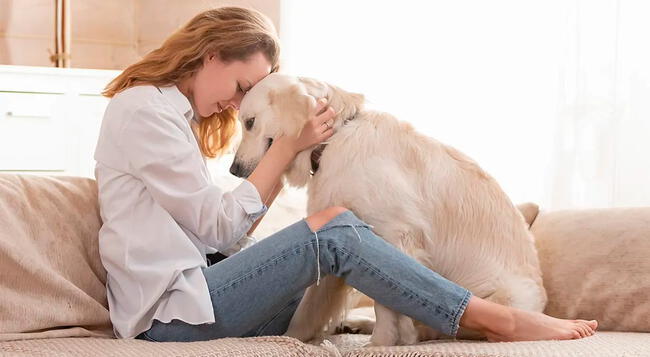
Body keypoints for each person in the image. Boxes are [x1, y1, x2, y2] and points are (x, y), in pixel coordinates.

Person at [93, 6, 598, 343]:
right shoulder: (143, 111)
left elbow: (220, 235)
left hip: (205, 296)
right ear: (211, 55)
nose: (237, 102)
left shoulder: (175, 118)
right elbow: (218, 226)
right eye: (241, 84)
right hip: (172, 318)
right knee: (333, 227)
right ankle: (499, 319)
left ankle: (435, 318)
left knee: (338, 232)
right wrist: (286, 147)